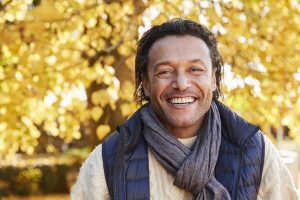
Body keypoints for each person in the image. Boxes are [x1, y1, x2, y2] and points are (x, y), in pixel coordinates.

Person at [71, 19, 298, 200]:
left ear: (214, 79)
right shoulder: (111, 156)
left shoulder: (253, 150)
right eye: (165, 72)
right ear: (146, 84)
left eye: (195, 69)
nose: (181, 83)